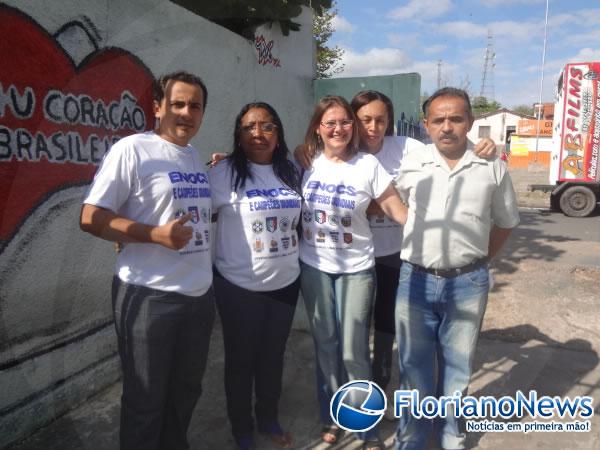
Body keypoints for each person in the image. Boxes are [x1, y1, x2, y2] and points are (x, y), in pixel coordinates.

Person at [295, 91, 497, 394]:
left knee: (387, 322)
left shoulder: (406, 148)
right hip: (349, 254)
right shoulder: (323, 154)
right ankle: (349, 391)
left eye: (380, 120)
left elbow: (446, 145)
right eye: (364, 120)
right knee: (352, 332)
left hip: (392, 251)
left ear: (389, 123)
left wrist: (482, 145)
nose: (372, 128)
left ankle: (380, 380)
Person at [79, 71, 214, 450]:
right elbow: (90, 217)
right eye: (177, 103)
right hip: (148, 297)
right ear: (157, 107)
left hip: (199, 297)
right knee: (145, 401)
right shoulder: (132, 149)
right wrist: (152, 235)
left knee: (185, 392)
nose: (186, 112)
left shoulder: (193, 155)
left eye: (195, 106)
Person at [393, 87, 520, 450]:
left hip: (468, 282)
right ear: (426, 125)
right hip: (414, 280)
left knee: (458, 367)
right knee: (414, 369)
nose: (447, 126)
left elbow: (506, 221)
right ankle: (412, 438)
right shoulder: (414, 163)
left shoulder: (492, 166)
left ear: (470, 122)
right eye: (438, 120)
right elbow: (398, 201)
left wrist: (479, 260)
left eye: (455, 118)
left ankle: (452, 436)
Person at [299, 95, 408, 450]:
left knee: (354, 349)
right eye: (330, 122)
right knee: (325, 344)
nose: (338, 128)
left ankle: (365, 424)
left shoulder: (368, 166)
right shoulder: (305, 162)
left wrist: (435, 231)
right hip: (314, 266)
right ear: (318, 127)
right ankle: (331, 414)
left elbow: (397, 209)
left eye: (345, 122)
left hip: (358, 269)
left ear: (352, 127)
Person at [209, 102, 302, 450]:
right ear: (238, 134)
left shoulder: (292, 172)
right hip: (237, 286)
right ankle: (242, 429)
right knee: (240, 359)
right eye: (249, 127)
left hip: (285, 283)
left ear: (278, 135)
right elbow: (189, 209)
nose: (258, 133)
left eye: (267, 126)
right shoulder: (222, 173)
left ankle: (268, 418)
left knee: (272, 356)